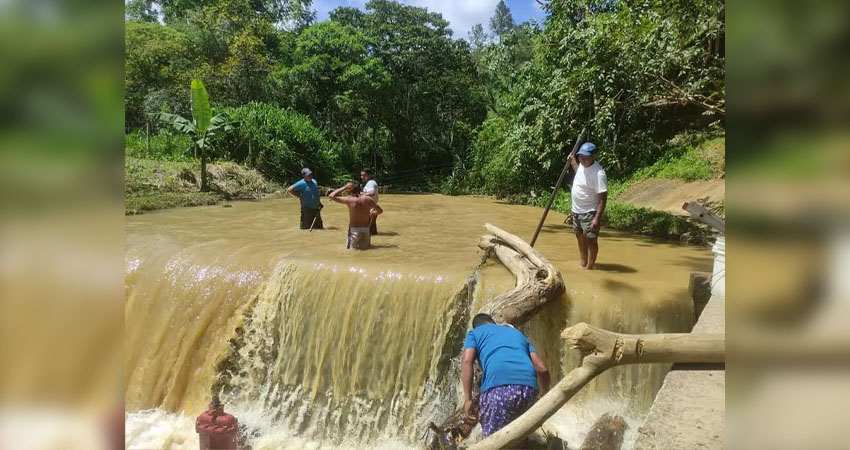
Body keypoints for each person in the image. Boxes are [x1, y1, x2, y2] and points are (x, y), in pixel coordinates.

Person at [461, 313, 550, 438]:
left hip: (498, 390)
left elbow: (466, 361)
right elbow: (542, 368)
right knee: (520, 437)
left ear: (476, 326)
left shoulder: (474, 333)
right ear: (493, 322)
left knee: (493, 441)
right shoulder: (517, 334)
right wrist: (546, 394)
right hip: (529, 390)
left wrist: (468, 400)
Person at [568, 142, 608, 270]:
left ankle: (589, 267)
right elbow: (579, 174)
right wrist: (574, 163)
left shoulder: (598, 173)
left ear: (593, 156)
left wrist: (597, 218)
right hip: (576, 210)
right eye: (581, 157)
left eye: (586, 157)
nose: (583, 160)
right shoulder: (582, 166)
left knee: (591, 239)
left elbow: (602, 198)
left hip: (589, 211)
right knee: (579, 236)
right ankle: (583, 262)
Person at [328, 181, 383, 250]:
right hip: (366, 230)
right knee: (365, 252)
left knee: (351, 253)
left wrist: (344, 188)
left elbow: (331, 196)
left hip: (354, 230)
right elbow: (380, 211)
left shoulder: (350, 200)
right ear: (361, 189)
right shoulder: (368, 199)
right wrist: (373, 213)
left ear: (350, 190)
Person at [360, 168, 379, 235]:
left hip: (370, 210)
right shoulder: (372, 182)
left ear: (369, 175)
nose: (362, 177)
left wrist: (361, 196)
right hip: (373, 209)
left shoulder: (370, 183)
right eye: (361, 175)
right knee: (373, 233)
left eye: (364, 175)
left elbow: (372, 192)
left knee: (366, 233)